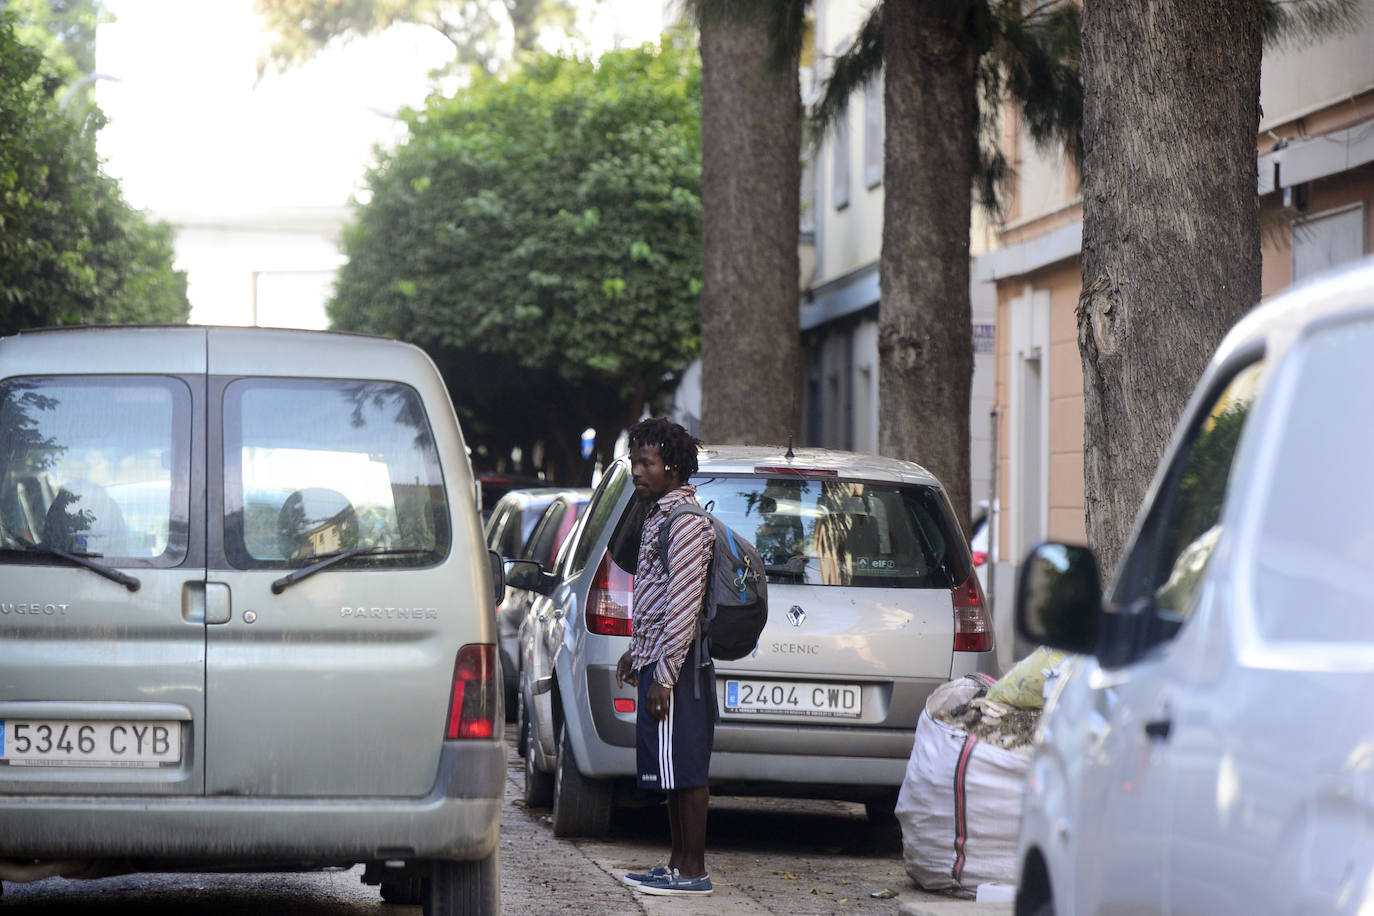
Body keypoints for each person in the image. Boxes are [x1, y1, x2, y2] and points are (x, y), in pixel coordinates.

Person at [615, 417, 716, 897]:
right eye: (634, 461)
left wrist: (666, 676)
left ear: (672, 468)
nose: (637, 470)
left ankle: (694, 871)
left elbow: (684, 602)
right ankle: (676, 865)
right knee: (671, 767)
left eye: (646, 462)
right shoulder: (657, 515)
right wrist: (636, 654)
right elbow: (653, 595)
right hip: (658, 659)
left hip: (682, 667)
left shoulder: (687, 522)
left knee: (688, 769)